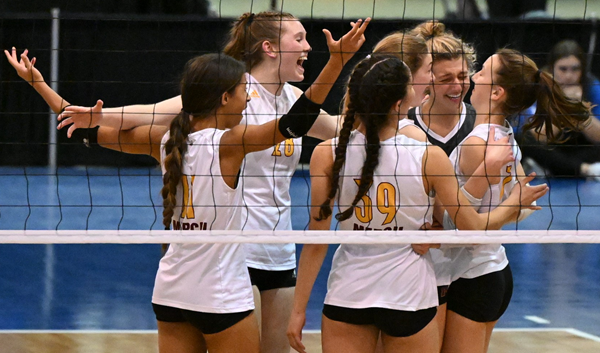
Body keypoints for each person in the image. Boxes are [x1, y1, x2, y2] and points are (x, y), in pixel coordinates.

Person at [5, 13, 370, 353]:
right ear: (269, 48)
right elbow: (146, 114)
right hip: (233, 252)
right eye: (300, 38)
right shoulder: (230, 94)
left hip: (278, 249)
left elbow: (342, 128)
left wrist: (403, 119)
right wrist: (91, 113)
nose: (308, 47)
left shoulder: (290, 100)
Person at [286, 54, 548, 353]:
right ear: (400, 103)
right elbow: (472, 227)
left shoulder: (326, 153)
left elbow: (315, 241)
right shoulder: (429, 156)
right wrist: (514, 203)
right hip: (409, 296)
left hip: (349, 292)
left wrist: (297, 311)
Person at [440, 48, 591, 353]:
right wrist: (512, 206)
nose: (473, 76)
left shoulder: (476, 144)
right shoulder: (505, 134)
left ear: (496, 92)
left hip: (470, 275)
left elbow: (460, 221)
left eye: (481, 71)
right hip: (494, 269)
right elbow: (521, 202)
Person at [516, 39, 600, 180]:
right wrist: (565, 106)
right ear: (552, 68)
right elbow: (540, 136)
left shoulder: (592, 87)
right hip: (550, 147)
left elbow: (598, 137)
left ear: (582, 69)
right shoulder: (538, 87)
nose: (568, 75)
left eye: (575, 69)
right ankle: (585, 169)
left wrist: (580, 109)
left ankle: (552, 168)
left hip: (579, 147)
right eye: (563, 69)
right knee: (523, 140)